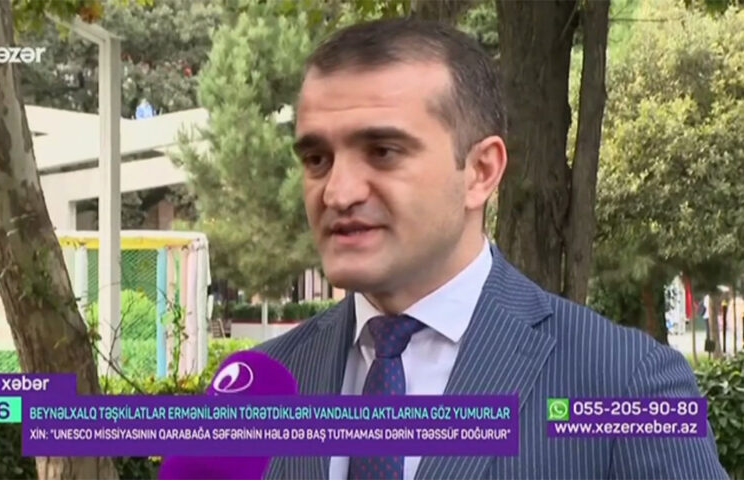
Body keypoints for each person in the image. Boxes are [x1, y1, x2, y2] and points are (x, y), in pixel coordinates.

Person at [255, 18, 727, 480]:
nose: (337, 193)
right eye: (317, 159)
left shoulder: (629, 383)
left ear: (481, 171)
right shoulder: (262, 388)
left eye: (383, 152)